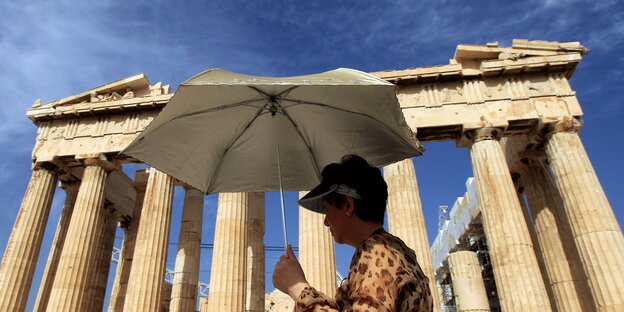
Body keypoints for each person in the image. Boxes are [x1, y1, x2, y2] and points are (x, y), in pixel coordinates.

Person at [273, 154, 433, 312]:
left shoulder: (377, 254)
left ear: (348, 205)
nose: (325, 221)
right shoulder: (393, 250)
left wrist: (299, 290)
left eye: (327, 210)